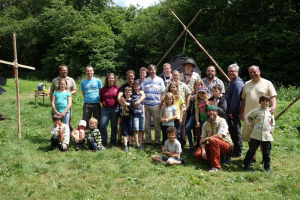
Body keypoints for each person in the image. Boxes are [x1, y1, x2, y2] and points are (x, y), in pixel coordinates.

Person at [240, 65, 277, 161]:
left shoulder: (267, 83)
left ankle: (265, 157)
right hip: (249, 115)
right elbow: (243, 99)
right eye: (250, 73)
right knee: (250, 136)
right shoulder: (247, 84)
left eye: (254, 72)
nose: (252, 74)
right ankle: (252, 157)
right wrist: (242, 112)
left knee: (263, 137)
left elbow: (272, 97)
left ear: (259, 71)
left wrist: (273, 106)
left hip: (263, 116)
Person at [194, 105, 233, 172]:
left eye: (213, 111)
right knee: (198, 154)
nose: (211, 112)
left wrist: (206, 139)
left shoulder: (222, 121)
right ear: (206, 113)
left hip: (225, 145)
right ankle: (218, 158)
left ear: (216, 113)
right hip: (213, 145)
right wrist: (203, 151)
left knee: (213, 140)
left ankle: (216, 166)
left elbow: (219, 136)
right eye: (209, 111)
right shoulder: (205, 124)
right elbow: (202, 140)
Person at [244, 95, 275, 173]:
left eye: (267, 101)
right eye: (263, 101)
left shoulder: (270, 112)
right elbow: (248, 118)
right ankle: (246, 165)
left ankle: (267, 167)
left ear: (269, 103)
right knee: (252, 150)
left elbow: (272, 122)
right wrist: (251, 126)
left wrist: (272, 129)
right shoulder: (256, 111)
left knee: (266, 152)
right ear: (260, 102)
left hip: (266, 135)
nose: (265, 103)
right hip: (256, 135)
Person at [162, 70, 191, 146]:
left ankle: (179, 146)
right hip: (169, 116)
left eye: (174, 87)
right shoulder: (168, 96)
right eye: (171, 87)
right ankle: (169, 146)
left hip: (177, 116)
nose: (172, 89)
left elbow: (181, 108)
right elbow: (164, 106)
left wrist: (181, 118)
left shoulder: (179, 97)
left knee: (178, 132)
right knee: (169, 131)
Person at [117, 70, 145, 146]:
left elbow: (143, 95)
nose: (130, 77)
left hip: (135, 109)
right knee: (122, 125)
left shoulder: (136, 85)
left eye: (132, 75)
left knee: (132, 126)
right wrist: (124, 105)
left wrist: (138, 102)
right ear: (127, 77)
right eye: (129, 76)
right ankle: (119, 141)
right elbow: (119, 97)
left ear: (134, 76)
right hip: (125, 109)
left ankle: (131, 142)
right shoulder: (124, 86)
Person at [141, 64, 165, 145]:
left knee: (157, 124)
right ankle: (148, 140)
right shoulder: (145, 81)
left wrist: (161, 104)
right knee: (147, 124)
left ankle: (157, 141)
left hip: (156, 105)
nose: (151, 71)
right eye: (150, 70)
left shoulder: (160, 80)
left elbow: (163, 93)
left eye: (153, 70)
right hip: (147, 105)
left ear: (155, 70)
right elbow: (142, 92)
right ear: (148, 71)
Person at [225, 63, 244, 157]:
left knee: (236, 131)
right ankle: (235, 149)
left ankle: (238, 151)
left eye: (233, 71)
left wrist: (230, 111)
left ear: (237, 72)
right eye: (229, 71)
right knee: (232, 130)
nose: (231, 73)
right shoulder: (231, 82)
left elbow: (235, 99)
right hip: (231, 111)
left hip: (234, 112)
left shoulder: (238, 83)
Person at [50, 64, 77, 130]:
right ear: (59, 71)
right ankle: (57, 136)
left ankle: (68, 135)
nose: (65, 71)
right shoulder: (55, 80)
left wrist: (67, 94)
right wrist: (52, 102)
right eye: (63, 70)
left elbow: (75, 90)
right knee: (56, 121)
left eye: (66, 70)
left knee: (67, 121)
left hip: (66, 104)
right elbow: (51, 91)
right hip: (56, 104)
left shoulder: (71, 80)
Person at [100, 73, 120, 147]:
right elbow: (101, 99)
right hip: (105, 109)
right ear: (107, 79)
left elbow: (120, 98)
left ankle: (113, 141)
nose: (111, 79)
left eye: (112, 78)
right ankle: (104, 140)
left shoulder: (117, 88)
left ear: (115, 79)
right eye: (110, 78)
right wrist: (105, 103)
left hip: (115, 109)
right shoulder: (103, 89)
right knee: (103, 125)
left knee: (114, 126)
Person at [81, 66, 102, 131]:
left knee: (98, 120)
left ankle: (98, 135)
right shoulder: (83, 82)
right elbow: (83, 93)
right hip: (87, 103)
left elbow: (101, 92)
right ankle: (86, 135)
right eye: (87, 71)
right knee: (85, 121)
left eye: (90, 70)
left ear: (93, 71)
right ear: (85, 72)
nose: (89, 72)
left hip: (96, 103)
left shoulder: (98, 81)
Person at [185, 79, 205, 148]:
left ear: (202, 85)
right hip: (194, 114)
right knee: (187, 128)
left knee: (199, 130)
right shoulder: (192, 94)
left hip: (203, 115)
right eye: (196, 85)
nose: (197, 86)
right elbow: (189, 106)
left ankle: (198, 144)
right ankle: (191, 145)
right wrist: (190, 100)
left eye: (199, 85)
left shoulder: (205, 93)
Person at [131, 80, 145, 150]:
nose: (136, 88)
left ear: (140, 87)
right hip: (135, 115)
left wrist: (143, 113)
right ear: (133, 87)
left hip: (141, 114)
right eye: (135, 87)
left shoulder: (141, 95)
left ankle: (140, 143)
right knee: (135, 129)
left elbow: (143, 104)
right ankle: (137, 143)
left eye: (138, 86)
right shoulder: (132, 95)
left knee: (141, 129)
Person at [120, 87, 135, 152]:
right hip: (123, 119)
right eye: (126, 92)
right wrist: (119, 117)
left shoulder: (132, 101)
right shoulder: (122, 100)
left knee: (130, 132)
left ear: (131, 93)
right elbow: (120, 110)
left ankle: (130, 144)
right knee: (124, 132)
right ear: (124, 93)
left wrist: (127, 105)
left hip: (130, 119)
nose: (128, 93)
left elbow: (133, 110)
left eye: (129, 92)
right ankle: (125, 146)